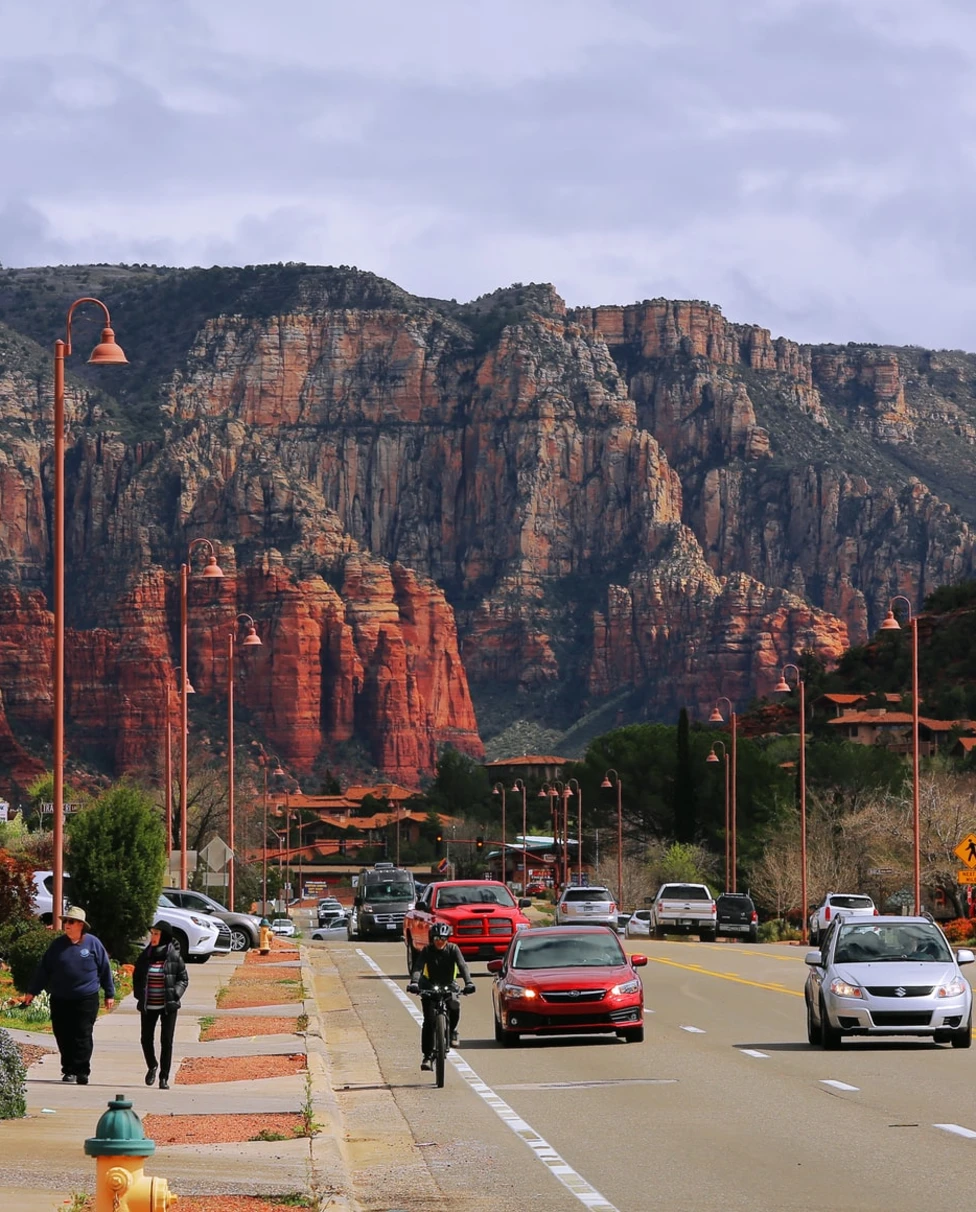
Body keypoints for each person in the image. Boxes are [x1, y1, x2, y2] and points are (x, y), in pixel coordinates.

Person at [23, 906, 115, 1085]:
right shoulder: (57, 946)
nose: (67, 925)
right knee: (63, 1034)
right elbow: (44, 970)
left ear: (81, 925)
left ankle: (82, 1070)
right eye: (65, 921)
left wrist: (109, 993)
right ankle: (68, 1070)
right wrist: (32, 991)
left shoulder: (93, 944)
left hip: (86, 997)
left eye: (71, 922)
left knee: (82, 1033)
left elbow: (105, 969)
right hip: (60, 998)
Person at [406, 921, 475, 1070]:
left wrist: (469, 983)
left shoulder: (453, 949)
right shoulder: (427, 951)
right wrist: (414, 983)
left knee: (454, 1006)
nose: (440, 942)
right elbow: (418, 967)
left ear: (447, 939)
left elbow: (462, 965)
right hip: (429, 985)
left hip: (449, 985)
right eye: (437, 938)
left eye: (443, 939)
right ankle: (428, 1056)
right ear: (432, 939)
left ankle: (452, 1032)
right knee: (429, 1021)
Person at [133, 920, 188, 1090]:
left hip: (168, 1006)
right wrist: (139, 996)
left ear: (164, 936)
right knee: (145, 1039)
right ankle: (152, 1066)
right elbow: (137, 977)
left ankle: (164, 1077)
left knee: (166, 1041)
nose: (153, 937)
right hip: (148, 1006)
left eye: (157, 934)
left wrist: (175, 994)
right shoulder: (145, 956)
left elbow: (183, 979)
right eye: (153, 934)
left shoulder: (173, 956)